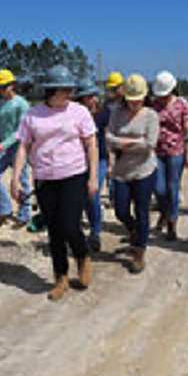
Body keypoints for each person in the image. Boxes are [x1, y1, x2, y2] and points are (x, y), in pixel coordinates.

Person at [11, 65, 98, 301]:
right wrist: (15, 178)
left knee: (70, 226)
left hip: (74, 175)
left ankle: (82, 255)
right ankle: (61, 277)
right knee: (55, 231)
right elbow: (23, 147)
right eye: (64, 90)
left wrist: (93, 177)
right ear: (50, 90)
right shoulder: (32, 115)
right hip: (45, 179)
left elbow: (91, 144)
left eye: (71, 89)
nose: (69, 94)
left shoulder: (79, 112)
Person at [106, 73, 160, 274]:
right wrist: (134, 140)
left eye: (137, 100)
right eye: (130, 100)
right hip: (121, 171)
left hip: (144, 171)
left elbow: (150, 144)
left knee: (142, 211)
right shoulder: (116, 114)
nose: (134, 103)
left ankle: (139, 252)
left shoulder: (151, 116)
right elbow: (108, 137)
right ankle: (134, 230)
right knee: (120, 209)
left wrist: (123, 142)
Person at [150, 70, 188, 241]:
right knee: (159, 188)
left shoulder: (182, 104)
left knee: (172, 186)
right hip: (157, 152)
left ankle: (172, 223)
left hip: (176, 152)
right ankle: (165, 212)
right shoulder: (153, 106)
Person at [0, 69, 32, 229]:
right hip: (3, 148)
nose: (1, 90)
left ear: (12, 85)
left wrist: (4, 144)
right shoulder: (1, 104)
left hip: (18, 148)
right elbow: (0, 128)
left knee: (22, 180)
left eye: (4, 86)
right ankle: (5, 209)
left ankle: (24, 215)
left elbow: (21, 131)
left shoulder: (22, 104)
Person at [76, 79, 110, 252]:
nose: (92, 99)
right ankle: (83, 229)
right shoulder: (74, 113)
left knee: (93, 194)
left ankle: (95, 232)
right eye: (88, 96)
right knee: (81, 197)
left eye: (93, 95)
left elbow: (109, 139)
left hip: (101, 159)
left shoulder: (104, 114)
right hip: (78, 160)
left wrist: (112, 163)